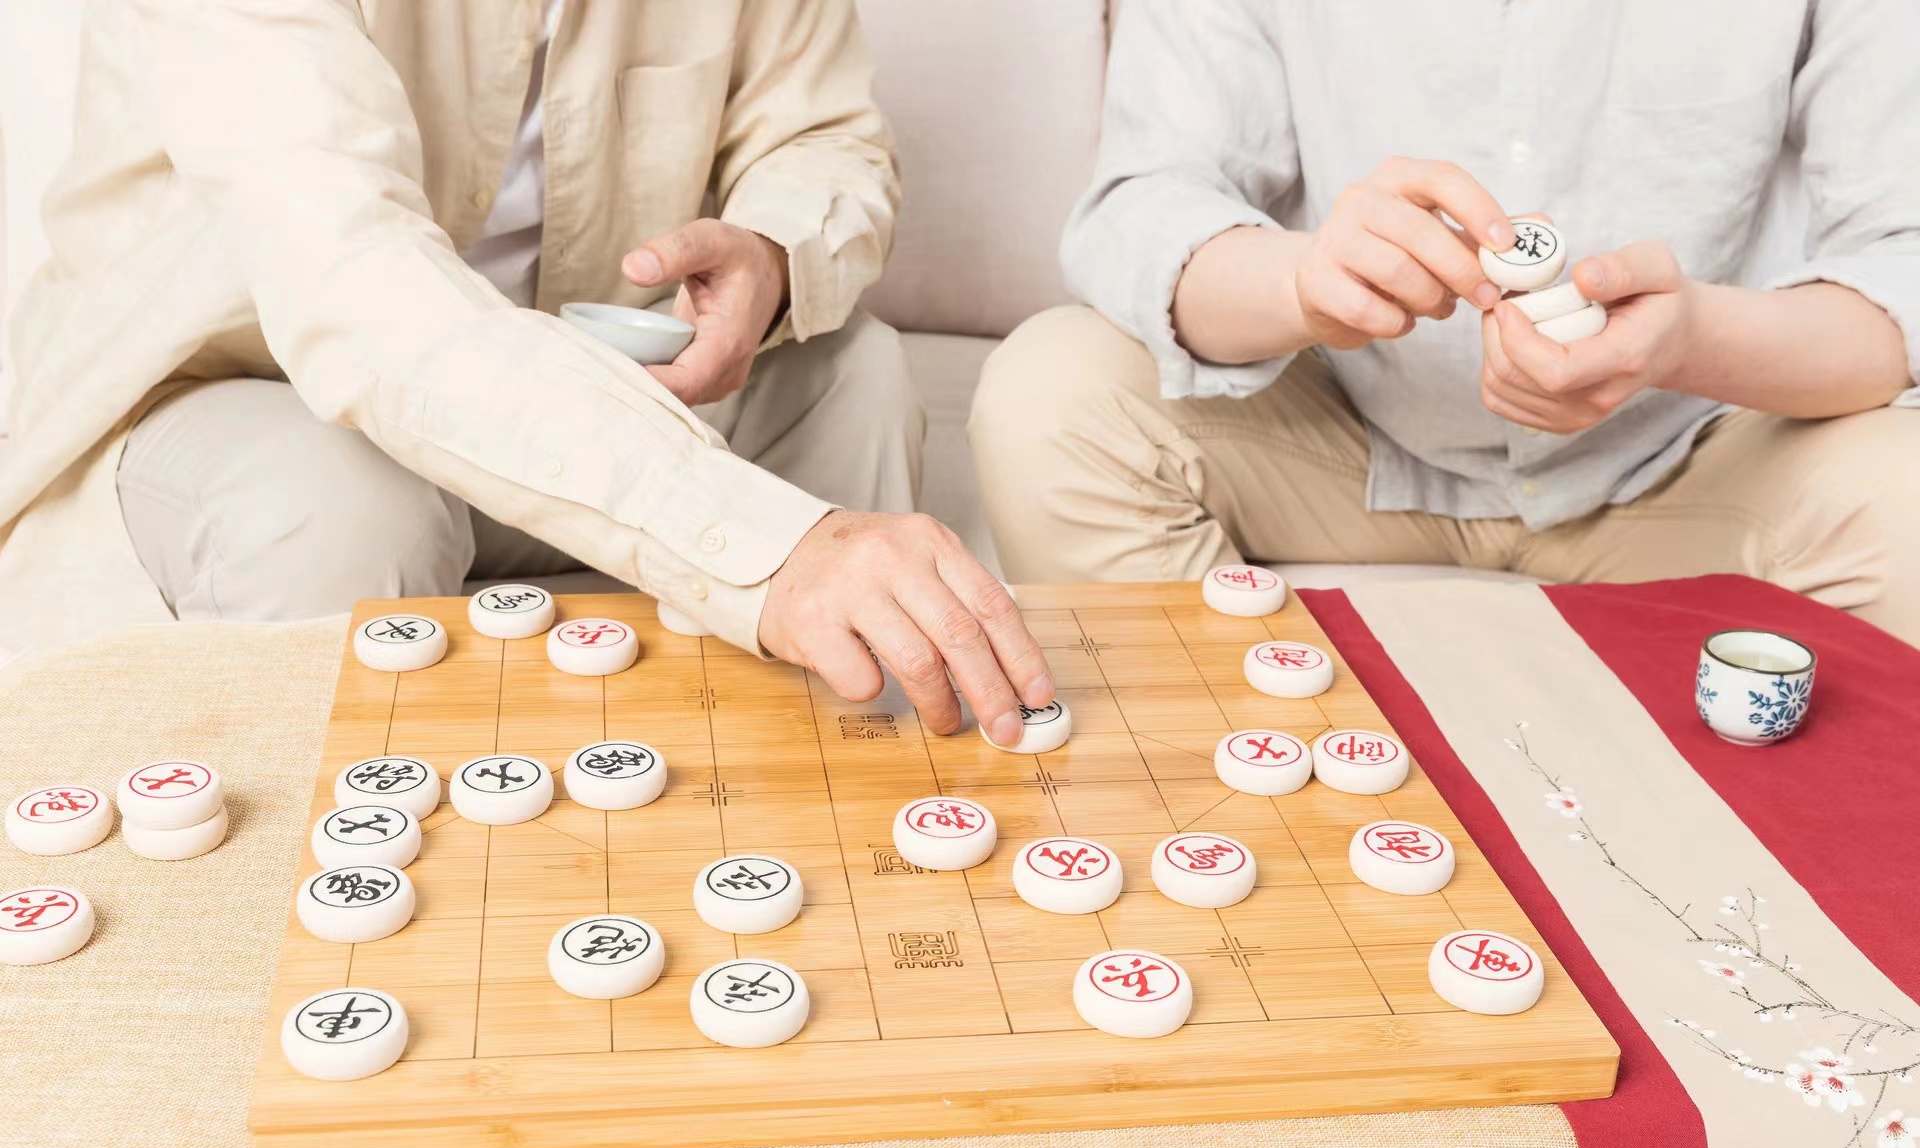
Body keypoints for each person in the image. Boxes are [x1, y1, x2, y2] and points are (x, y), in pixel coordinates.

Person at [0, 0, 1051, 745]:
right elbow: (360, 296)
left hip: (584, 378)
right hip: (246, 391)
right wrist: (765, 548)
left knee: (850, 373)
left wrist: (773, 254)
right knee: (342, 501)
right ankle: (346, 898)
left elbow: (822, 134)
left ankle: (811, 801)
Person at [969, 0, 1920, 643]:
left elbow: (1902, 257)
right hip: (1352, 446)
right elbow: (1144, 206)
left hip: (1694, 455)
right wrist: (1305, 282)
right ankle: (1241, 758)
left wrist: (1692, 341)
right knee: (1052, 395)